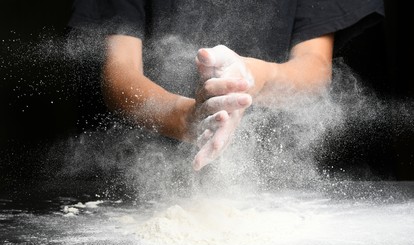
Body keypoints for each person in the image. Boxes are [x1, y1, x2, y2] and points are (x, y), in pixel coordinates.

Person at [68, 0, 384, 171]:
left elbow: (313, 68)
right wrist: (186, 118)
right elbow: (120, 75)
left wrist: (253, 79)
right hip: (139, 180)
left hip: (275, 184)